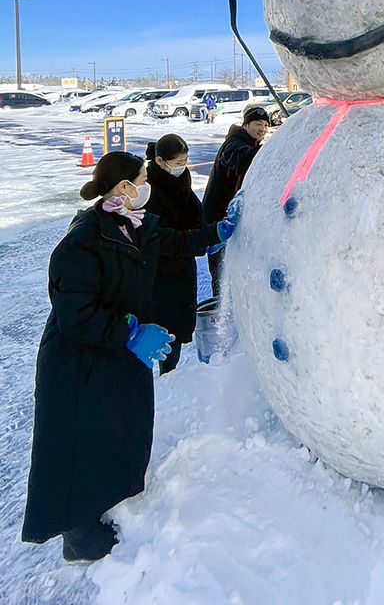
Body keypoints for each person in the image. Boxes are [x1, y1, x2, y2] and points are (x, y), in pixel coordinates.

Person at [22, 152, 239, 562]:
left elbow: (180, 243)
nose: (147, 184)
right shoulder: (83, 239)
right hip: (79, 362)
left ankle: (107, 506)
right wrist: (131, 332)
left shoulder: (137, 225)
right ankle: (80, 538)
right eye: (142, 178)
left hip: (114, 355)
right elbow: (75, 313)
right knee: (81, 444)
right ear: (124, 188)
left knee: (117, 432)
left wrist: (221, 231)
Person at [144, 134, 202, 374]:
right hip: (160, 269)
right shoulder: (148, 190)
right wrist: (200, 238)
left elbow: (194, 209)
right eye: (177, 163)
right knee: (163, 324)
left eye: (185, 161)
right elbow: (159, 237)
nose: (182, 167)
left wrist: (206, 231)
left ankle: (171, 371)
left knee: (178, 322)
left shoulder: (182, 179)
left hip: (183, 263)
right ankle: (163, 373)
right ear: (159, 161)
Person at [202, 104, 269, 295]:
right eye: (257, 123)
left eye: (265, 125)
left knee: (232, 272)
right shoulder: (233, 145)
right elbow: (244, 158)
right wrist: (273, 149)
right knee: (222, 274)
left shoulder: (246, 143)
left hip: (228, 221)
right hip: (218, 221)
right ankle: (219, 313)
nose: (262, 129)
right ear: (246, 125)